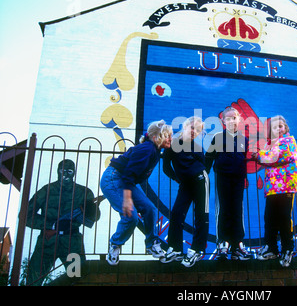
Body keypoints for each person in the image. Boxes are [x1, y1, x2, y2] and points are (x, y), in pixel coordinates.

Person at [100, 120, 173, 265]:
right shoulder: (147, 149)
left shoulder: (154, 150)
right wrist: (127, 199)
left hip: (125, 180)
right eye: (167, 136)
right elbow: (128, 174)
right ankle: (115, 244)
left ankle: (152, 244)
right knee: (131, 216)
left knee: (149, 208)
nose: (171, 139)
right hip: (114, 178)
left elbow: (131, 177)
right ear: (156, 137)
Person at [26, 159, 101, 286]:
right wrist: (52, 224)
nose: (66, 174)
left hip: (72, 241)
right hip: (48, 240)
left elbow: (94, 217)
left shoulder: (84, 192)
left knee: (77, 279)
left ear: (74, 173)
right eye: (63, 171)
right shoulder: (46, 190)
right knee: (34, 280)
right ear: (58, 172)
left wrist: (91, 209)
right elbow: (26, 215)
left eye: (69, 171)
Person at [161, 116, 210, 267]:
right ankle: (175, 249)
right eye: (193, 127)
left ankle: (197, 250)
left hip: (201, 181)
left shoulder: (197, 148)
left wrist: (198, 177)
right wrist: (177, 179)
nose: (195, 132)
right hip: (185, 184)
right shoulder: (173, 144)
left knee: (201, 214)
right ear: (185, 126)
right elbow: (166, 167)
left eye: (199, 130)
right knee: (176, 212)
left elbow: (203, 166)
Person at [253, 115, 297, 267]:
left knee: (284, 217)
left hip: (286, 186)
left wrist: (259, 155)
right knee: (269, 217)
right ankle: (271, 247)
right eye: (274, 127)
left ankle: (287, 248)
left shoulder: (288, 141)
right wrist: (262, 155)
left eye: (281, 126)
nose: (278, 129)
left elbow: (279, 156)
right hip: (272, 188)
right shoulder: (270, 144)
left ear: (286, 128)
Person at [205, 107, 251, 260]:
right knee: (224, 208)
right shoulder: (218, 137)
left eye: (235, 117)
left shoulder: (244, 139)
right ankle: (223, 243)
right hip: (223, 177)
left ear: (239, 120)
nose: (232, 120)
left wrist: (244, 176)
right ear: (223, 121)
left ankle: (237, 244)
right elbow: (209, 158)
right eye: (229, 118)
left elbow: (243, 158)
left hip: (238, 179)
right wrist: (202, 174)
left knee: (237, 209)